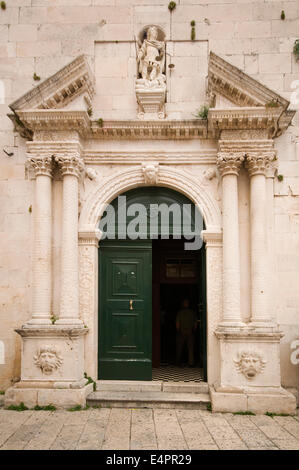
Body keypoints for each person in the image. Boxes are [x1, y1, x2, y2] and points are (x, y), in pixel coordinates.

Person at [176, 299, 197, 367]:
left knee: (180, 347)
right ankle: (191, 363)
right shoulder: (192, 312)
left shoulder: (180, 313)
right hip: (190, 332)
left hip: (182, 332)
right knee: (190, 348)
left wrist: (178, 331)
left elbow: (177, 323)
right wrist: (194, 330)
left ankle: (178, 362)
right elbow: (195, 323)